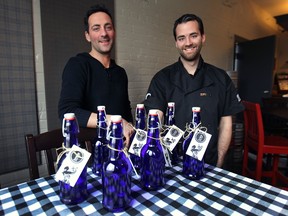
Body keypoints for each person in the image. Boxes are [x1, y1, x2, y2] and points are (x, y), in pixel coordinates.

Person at [144, 14, 244, 167]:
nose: (188, 42)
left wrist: (219, 162)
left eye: (193, 36)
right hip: (171, 163)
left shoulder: (221, 78)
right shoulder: (162, 78)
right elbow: (155, 120)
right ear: (176, 43)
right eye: (181, 38)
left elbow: (226, 123)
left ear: (203, 37)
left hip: (209, 162)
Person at [58, 5, 134, 143]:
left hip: (120, 151)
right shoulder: (77, 65)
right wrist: (113, 120)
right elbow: (67, 112)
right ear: (87, 36)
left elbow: (127, 115)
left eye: (108, 27)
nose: (104, 33)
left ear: (114, 32)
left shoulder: (120, 73)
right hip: (90, 153)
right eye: (96, 28)